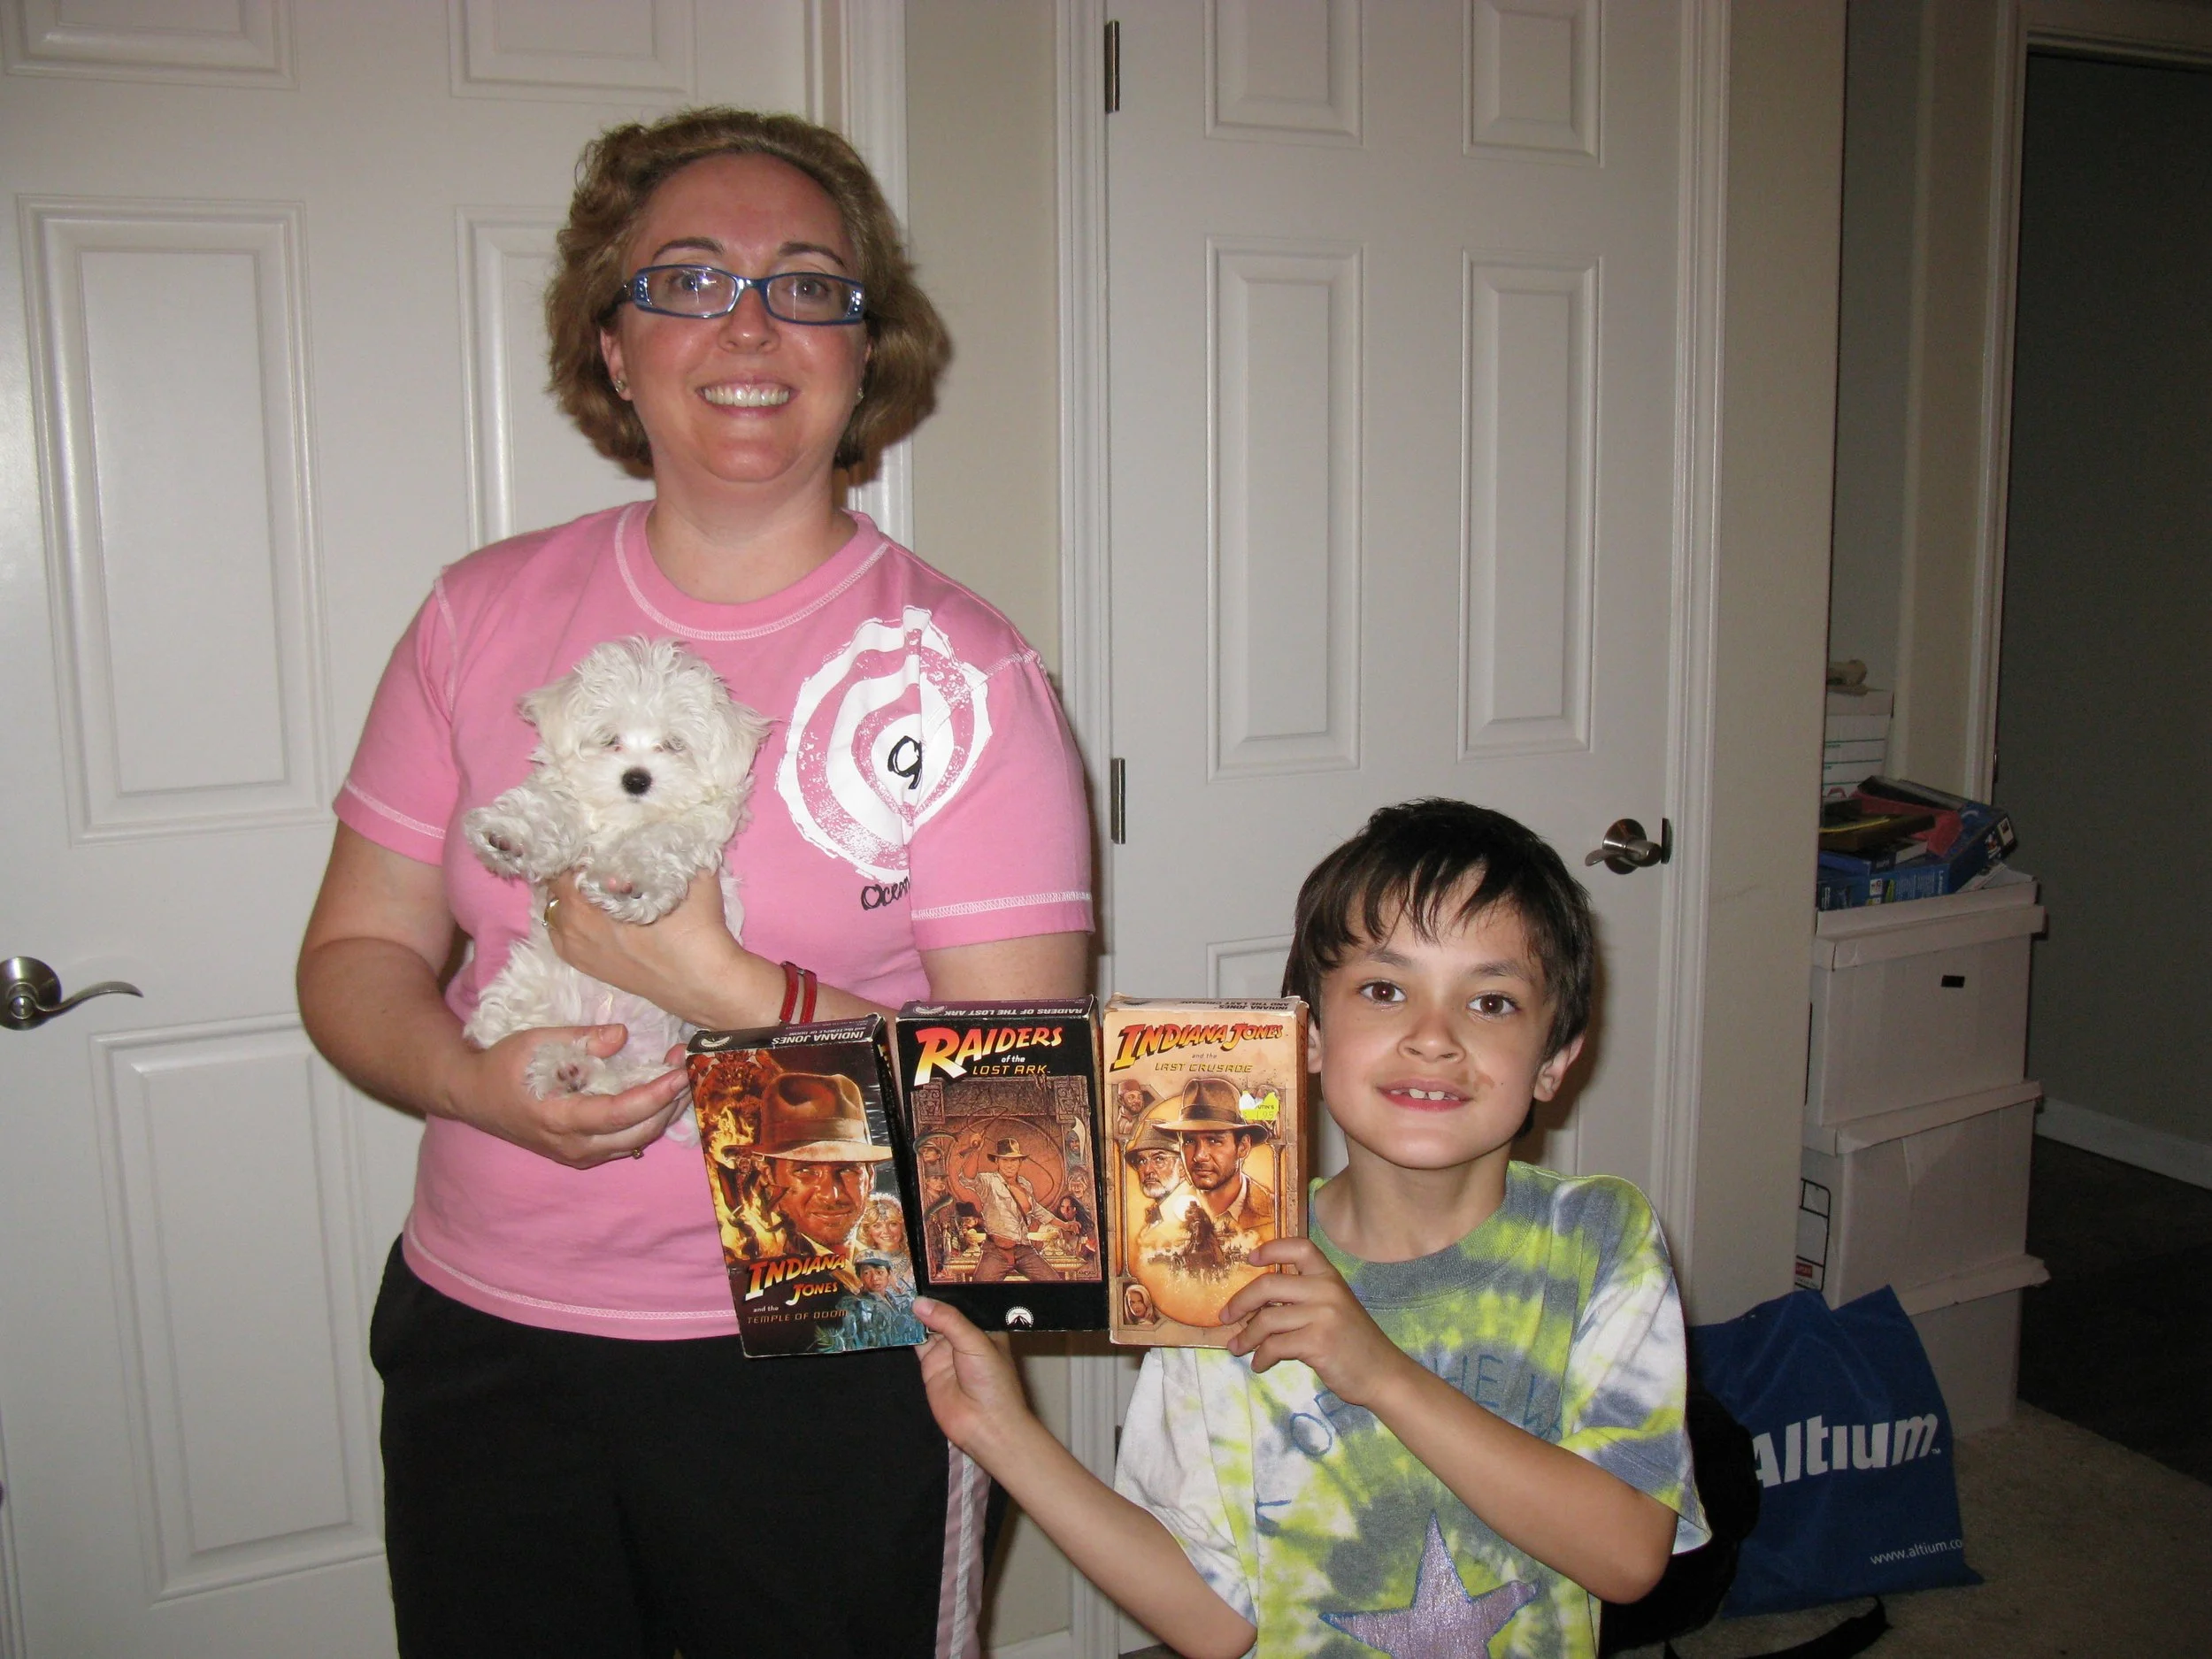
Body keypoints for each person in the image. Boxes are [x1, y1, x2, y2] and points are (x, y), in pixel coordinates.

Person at [296, 105, 1089, 1659]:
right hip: (490, 1330)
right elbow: (353, 953)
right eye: (687, 280)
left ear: (868, 351)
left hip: (829, 1337)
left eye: (807, 285)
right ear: (611, 344)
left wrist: (728, 994)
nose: (749, 324)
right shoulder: (477, 615)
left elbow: (1020, 1142)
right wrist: (465, 1078)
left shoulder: (969, 676)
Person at [913, 798, 1705, 1659]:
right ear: (1308, 1034)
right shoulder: (1222, 1265)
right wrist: (1003, 1434)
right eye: (1383, 990)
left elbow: (1627, 1556)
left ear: (1554, 1058)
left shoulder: (1597, 1238)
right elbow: (1214, 1620)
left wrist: (1380, 1374)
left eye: (1491, 1002)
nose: (1432, 1037)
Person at [949, 1134, 1063, 1282]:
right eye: (1005, 1160)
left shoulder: (1025, 1184)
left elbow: (1037, 1210)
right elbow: (968, 1178)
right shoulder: (989, 1181)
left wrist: (1065, 1225)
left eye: (1014, 1160)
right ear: (997, 1161)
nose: (1010, 1165)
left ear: (1020, 1161)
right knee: (979, 1290)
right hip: (996, 1251)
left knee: (1053, 1282)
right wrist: (976, 1150)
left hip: (1024, 1251)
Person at [826, 1252, 928, 1351]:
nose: (874, 1278)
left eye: (880, 1272)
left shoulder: (892, 1299)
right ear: (859, 1276)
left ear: (889, 1274)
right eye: (867, 1273)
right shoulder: (857, 1305)